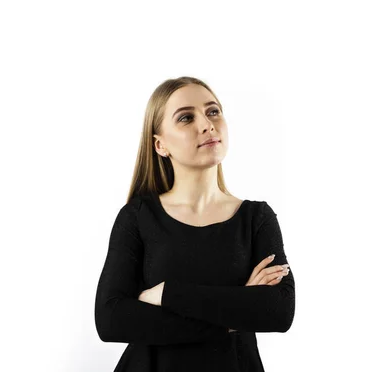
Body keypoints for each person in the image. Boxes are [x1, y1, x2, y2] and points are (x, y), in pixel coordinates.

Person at [94, 76, 295, 371]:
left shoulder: (257, 218)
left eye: (213, 111)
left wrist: (166, 294)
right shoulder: (138, 216)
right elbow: (111, 320)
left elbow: (278, 311)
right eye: (186, 117)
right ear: (161, 145)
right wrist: (233, 317)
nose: (206, 124)